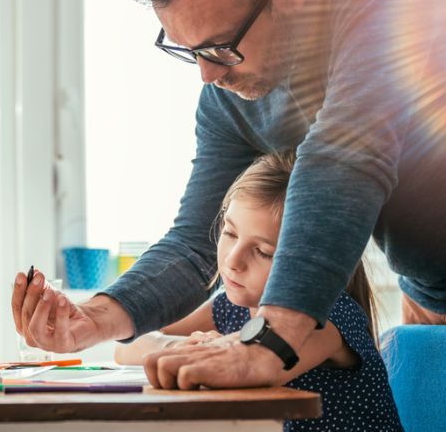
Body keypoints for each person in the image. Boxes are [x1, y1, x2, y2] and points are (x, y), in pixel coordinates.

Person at [12, 0, 446, 390]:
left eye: (220, 47)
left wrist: (272, 342)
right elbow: (195, 242)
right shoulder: (232, 98)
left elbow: (347, 151)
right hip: (435, 307)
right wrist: (96, 317)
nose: (208, 75)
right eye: (190, 52)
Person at [115, 152, 401, 430]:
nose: (232, 261)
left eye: (263, 252)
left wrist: (209, 354)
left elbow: (260, 366)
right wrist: (179, 347)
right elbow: (127, 344)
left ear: (316, 264)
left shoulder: (327, 317)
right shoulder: (233, 306)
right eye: (230, 233)